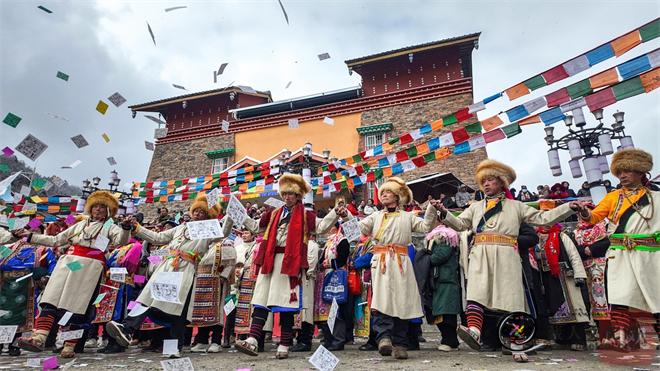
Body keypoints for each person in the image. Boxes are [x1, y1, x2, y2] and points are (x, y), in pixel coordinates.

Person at [435, 160, 586, 362]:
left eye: (491, 180)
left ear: (502, 183)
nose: (486, 184)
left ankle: (516, 342)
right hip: (480, 252)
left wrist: (569, 207)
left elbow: (543, 219)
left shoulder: (517, 206)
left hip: (507, 253)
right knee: (477, 293)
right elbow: (461, 224)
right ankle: (474, 331)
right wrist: (444, 213)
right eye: (484, 181)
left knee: (512, 298)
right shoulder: (475, 207)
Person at [321, 177, 439, 360]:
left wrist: (431, 208)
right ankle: (383, 338)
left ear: (398, 196)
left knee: (402, 301)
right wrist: (346, 215)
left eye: (388, 192)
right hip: (381, 261)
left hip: (401, 262)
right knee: (381, 301)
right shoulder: (375, 216)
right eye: (382, 192)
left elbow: (425, 227)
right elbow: (356, 230)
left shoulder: (408, 217)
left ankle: (400, 343)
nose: (383, 195)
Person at [105, 194, 225, 358]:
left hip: (185, 270)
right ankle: (127, 329)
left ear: (208, 215)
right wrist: (137, 228)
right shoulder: (181, 227)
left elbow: (223, 232)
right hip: (167, 266)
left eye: (202, 212)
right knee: (146, 298)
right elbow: (158, 238)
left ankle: (174, 347)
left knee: (177, 311)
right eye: (195, 211)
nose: (197, 214)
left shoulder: (208, 230)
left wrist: (231, 216)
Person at [15, 191, 132, 358]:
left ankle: (69, 345)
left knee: (77, 307)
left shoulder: (110, 227)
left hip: (90, 269)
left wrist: (126, 228)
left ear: (108, 211)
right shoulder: (79, 225)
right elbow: (55, 240)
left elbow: (121, 240)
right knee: (51, 301)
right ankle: (38, 338)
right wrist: (30, 236)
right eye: (95, 206)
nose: (97, 210)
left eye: (102, 207)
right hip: (68, 265)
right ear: (90, 209)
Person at [577, 149, 658, 351]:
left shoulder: (656, 197)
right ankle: (622, 339)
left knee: (655, 295)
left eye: (627, 171)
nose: (622, 176)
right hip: (620, 253)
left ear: (641, 172)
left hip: (650, 253)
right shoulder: (613, 197)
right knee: (621, 295)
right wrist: (584, 212)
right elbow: (594, 217)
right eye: (619, 172)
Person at [233, 174, 317, 360]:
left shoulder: (306, 215)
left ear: (298, 196)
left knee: (286, 305)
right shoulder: (273, 214)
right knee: (261, 300)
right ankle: (253, 339)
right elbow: (255, 227)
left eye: (291, 194)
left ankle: (285, 343)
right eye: (285, 193)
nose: (287, 197)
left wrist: (338, 214)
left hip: (290, 262)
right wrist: (238, 213)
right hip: (270, 261)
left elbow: (321, 227)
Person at [534, 224, 590, 351]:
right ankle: (562, 338)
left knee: (573, 307)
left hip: (564, 275)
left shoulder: (561, 235)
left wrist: (579, 274)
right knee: (555, 308)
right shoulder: (536, 237)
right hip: (547, 277)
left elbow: (574, 255)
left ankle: (578, 339)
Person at [190, 237, 236, 353]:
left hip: (217, 280)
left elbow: (231, 263)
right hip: (200, 281)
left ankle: (216, 341)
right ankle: (202, 341)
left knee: (217, 312)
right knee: (201, 312)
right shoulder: (202, 243)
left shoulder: (225, 243)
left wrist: (223, 276)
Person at [426, 224, 461, 352]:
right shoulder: (439, 235)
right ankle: (449, 340)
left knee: (446, 314)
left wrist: (426, 257)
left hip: (445, 279)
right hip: (441, 280)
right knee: (442, 312)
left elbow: (439, 257)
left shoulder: (445, 236)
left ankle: (450, 341)